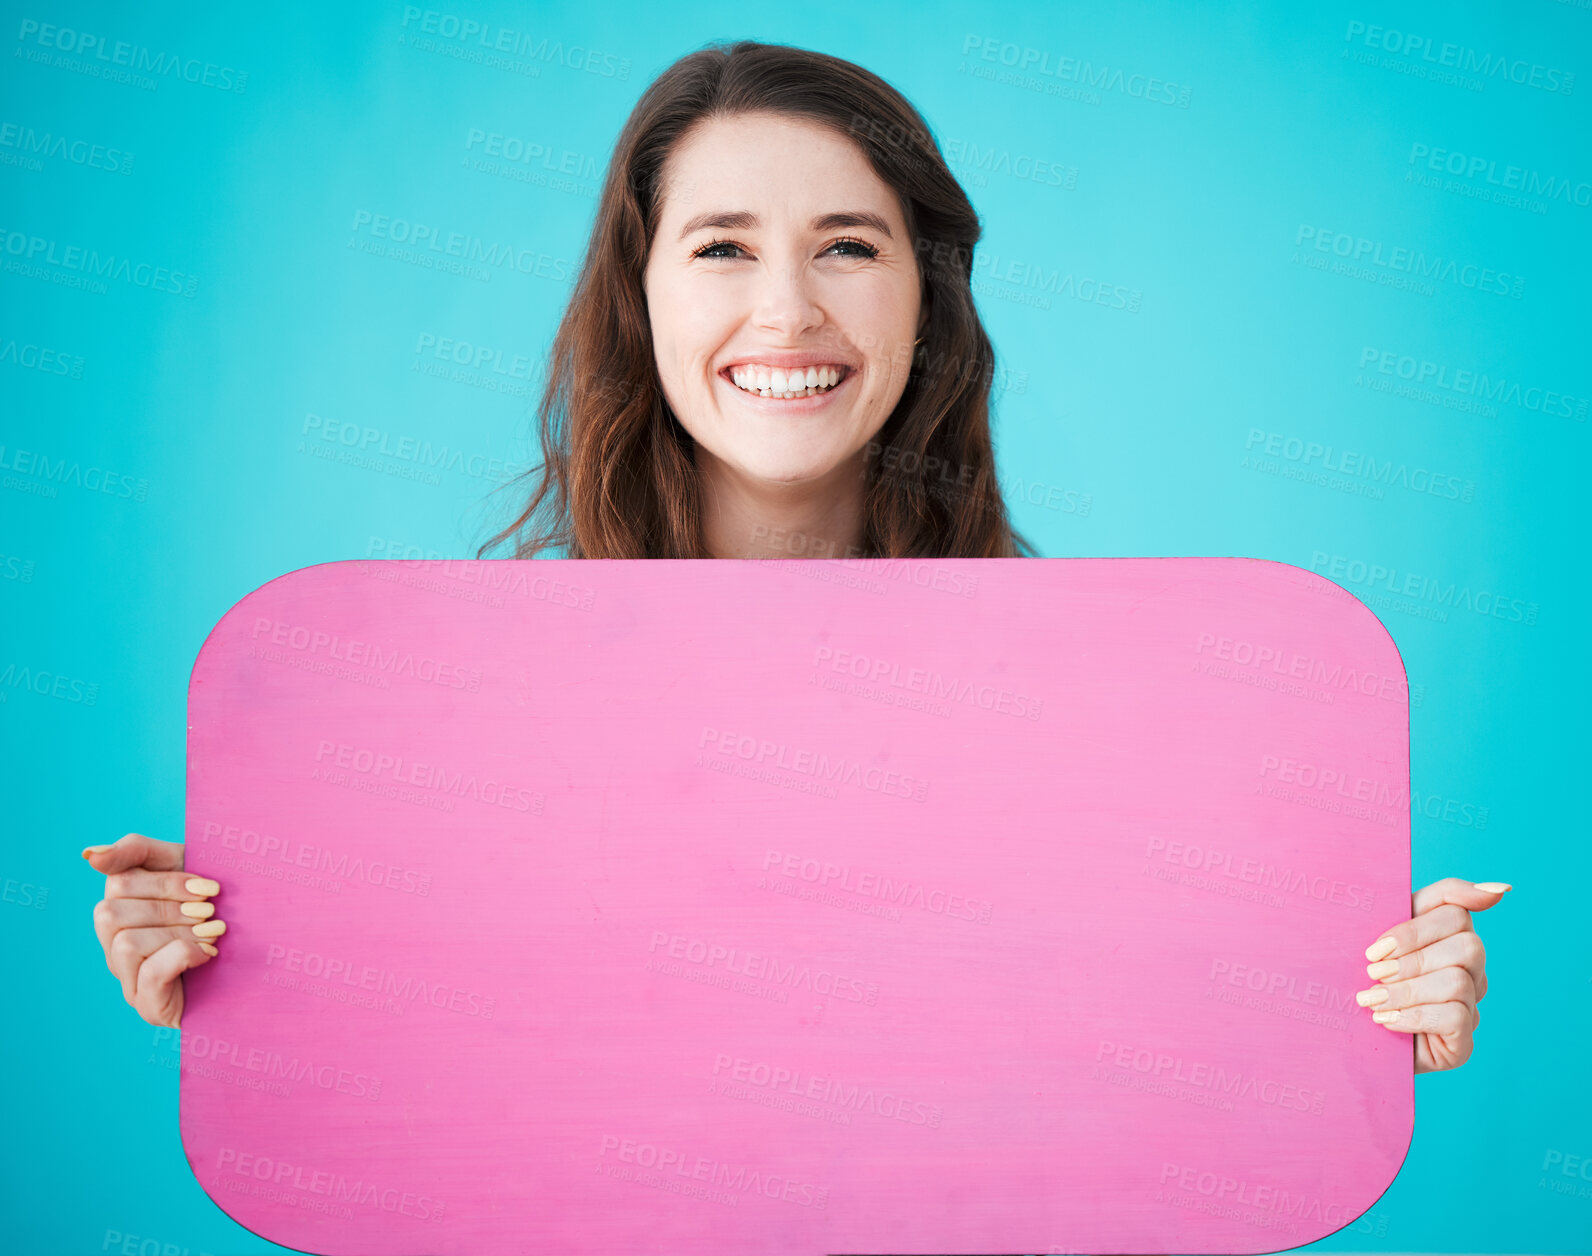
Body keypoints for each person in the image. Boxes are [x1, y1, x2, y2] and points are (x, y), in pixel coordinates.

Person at [85, 40, 1509, 1074]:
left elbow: (1123, 1074)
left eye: (848, 246)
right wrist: (230, 973)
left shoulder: (1094, 721)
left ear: (925, 301)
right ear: (638, 303)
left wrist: (1361, 1007)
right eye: (718, 248)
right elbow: (448, 1071)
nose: (787, 310)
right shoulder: (460, 723)